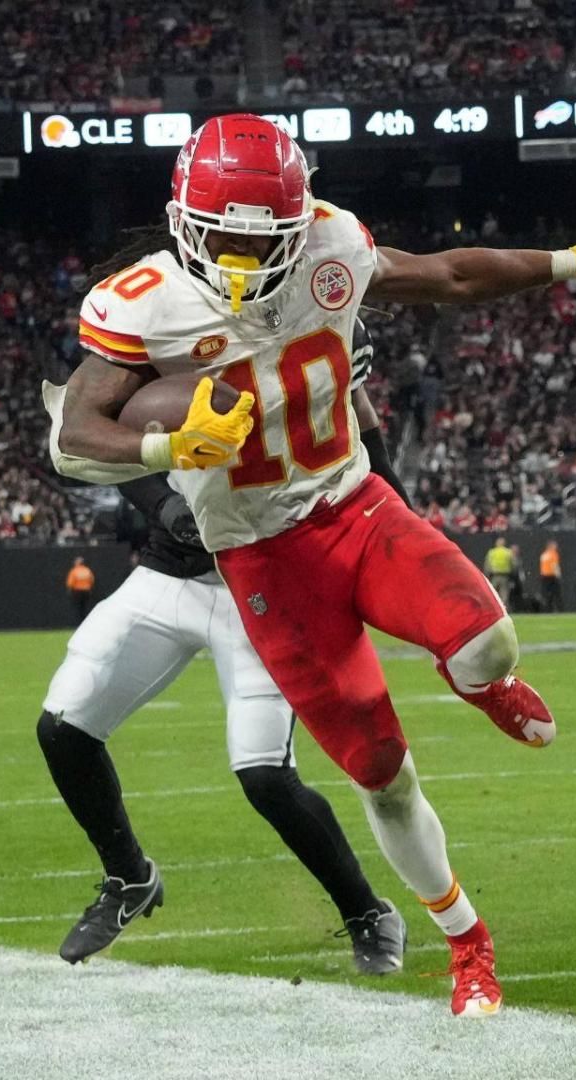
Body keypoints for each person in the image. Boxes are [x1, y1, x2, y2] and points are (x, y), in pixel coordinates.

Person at [43, 112, 576, 1017]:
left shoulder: (332, 242)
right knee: (381, 770)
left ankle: (484, 686)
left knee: (489, 642)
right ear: (185, 220)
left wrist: (574, 260)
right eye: (227, 239)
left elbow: (448, 273)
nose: (248, 263)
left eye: (270, 242)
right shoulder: (142, 302)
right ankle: (468, 944)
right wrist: (164, 444)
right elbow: (74, 435)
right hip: (260, 559)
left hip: (353, 506)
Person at [38, 317, 409, 974]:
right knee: (64, 724)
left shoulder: (321, 367)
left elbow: (370, 454)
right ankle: (130, 877)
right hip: (173, 573)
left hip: (265, 593)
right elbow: (107, 444)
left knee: (265, 776)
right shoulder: (180, 331)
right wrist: (164, 507)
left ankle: (364, 909)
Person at [483, 536, 516, 611]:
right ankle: (503, 610)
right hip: (505, 576)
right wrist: (513, 575)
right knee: (504, 595)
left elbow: (487, 564)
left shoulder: (492, 552)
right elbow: (513, 564)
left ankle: (493, 610)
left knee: (493, 594)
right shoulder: (508, 552)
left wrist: (487, 575)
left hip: (495, 576)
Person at [66, 556, 96, 622]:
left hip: (77, 591)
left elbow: (70, 583)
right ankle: (86, 621)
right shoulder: (87, 570)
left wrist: (69, 590)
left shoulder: (74, 571)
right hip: (86, 591)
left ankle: (79, 622)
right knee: (85, 607)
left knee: (78, 608)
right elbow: (92, 580)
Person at [539, 540, 563, 613]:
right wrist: (558, 575)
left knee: (547, 594)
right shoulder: (553, 554)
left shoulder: (544, 554)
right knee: (556, 593)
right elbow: (554, 565)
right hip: (551, 576)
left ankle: (547, 609)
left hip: (544, 576)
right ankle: (558, 609)